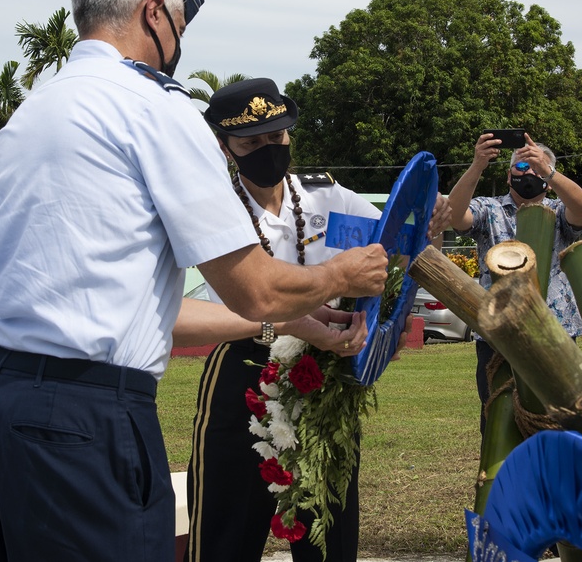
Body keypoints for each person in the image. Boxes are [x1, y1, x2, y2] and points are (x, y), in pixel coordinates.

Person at [0, 0, 388, 562]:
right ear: (153, 10)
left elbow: (140, 308)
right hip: (85, 416)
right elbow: (256, 285)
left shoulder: (35, 111)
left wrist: (301, 322)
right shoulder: (154, 107)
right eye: (180, 29)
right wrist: (341, 277)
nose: (178, 45)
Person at [180, 77, 450, 562]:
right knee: (227, 527)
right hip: (244, 370)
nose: (267, 148)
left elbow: (388, 245)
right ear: (225, 147)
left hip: (324, 373)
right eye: (251, 141)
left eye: (276, 136)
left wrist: (422, 227)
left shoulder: (327, 196)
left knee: (329, 527)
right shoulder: (211, 208)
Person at [446, 132, 582, 433]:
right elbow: (456, 215)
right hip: (498, 332)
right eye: (521, 167)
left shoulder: (557, 210)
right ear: (509, 176)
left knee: (558, 418)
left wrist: (549, 172)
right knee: (498, 417)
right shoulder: (490, 209)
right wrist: (477, 165)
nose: (529, 174)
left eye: (536, 168)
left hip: (555, 330)